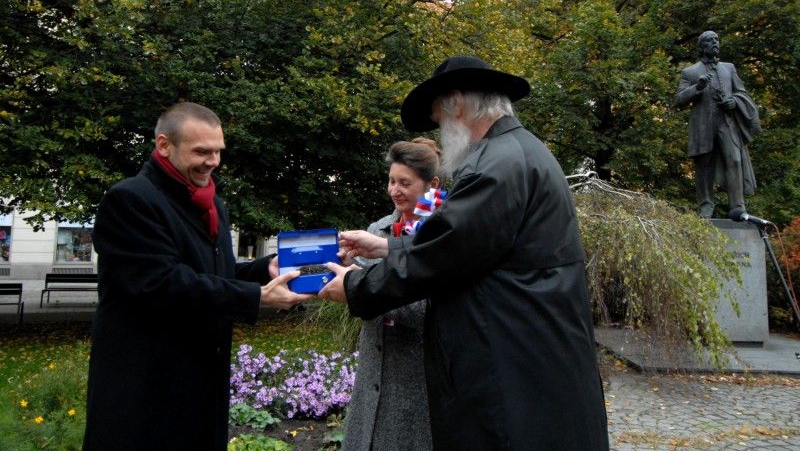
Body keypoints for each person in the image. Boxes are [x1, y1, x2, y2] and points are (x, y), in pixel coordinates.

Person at [320, 56, 609, 450]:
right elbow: (468, 246)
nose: (441, 133)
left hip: (512, 374)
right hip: (529, 363)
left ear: (456, 103)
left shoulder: (497, 165)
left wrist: (355, 286)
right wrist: (388, 245)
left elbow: (442, 259)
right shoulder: (518, 152)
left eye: (439, 120)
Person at [83, 102, 311, 451]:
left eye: (218, 151)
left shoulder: (212, 203)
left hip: (201, 380)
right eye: (201, 151)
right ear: (163, 145)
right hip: (145, 389)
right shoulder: (129, 199)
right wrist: (257, 297)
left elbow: (213, 273)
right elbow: (161, 283)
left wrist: (264, 269)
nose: (213, 162)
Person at [342, 138, 440, 451]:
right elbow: (363, 284)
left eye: (404, 183)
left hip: (417, 378)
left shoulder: (444, 236)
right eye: (391, 181)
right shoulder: (378, 229)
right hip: (374, 371)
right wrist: (348, 271)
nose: (394, 190)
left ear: (432, 184)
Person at [673, 31, 761, 219]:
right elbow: (678, 100)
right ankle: (706, 205)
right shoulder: (691, 72)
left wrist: (734, 102)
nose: (715, 43)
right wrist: (697, 87)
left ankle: (738, 207)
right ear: (702, 47)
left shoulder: (729, 68)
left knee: (735, 160)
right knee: (704, 166)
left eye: (716, 40)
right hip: (703, 126)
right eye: (710, 41)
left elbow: (742, 93)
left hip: (727, 123)